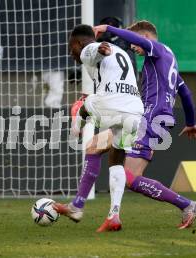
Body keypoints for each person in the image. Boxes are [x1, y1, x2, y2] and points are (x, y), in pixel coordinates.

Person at [92, 20, 196, 230]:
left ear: (146, 38)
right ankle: (89, 206)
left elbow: (134, 39)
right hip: (154, 118)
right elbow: (185, 93)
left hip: (151, 118)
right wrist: (191, 122)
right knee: (103, 150)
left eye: (136, 44)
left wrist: (108, 29)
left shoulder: (157, 49)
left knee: (130, 177)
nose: (133, 48)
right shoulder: (169, 60)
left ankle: (187, 205)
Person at [53, 24, 144, 231]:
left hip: (113, 104)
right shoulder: (121, 52)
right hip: (134, 111)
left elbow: (96, 49)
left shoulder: (87, 49)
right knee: (115, 158)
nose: (71, 53)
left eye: (71, 47)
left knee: (83, 106)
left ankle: (75, 130)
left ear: (79, 43)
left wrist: (101, 47)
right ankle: (114, 214)